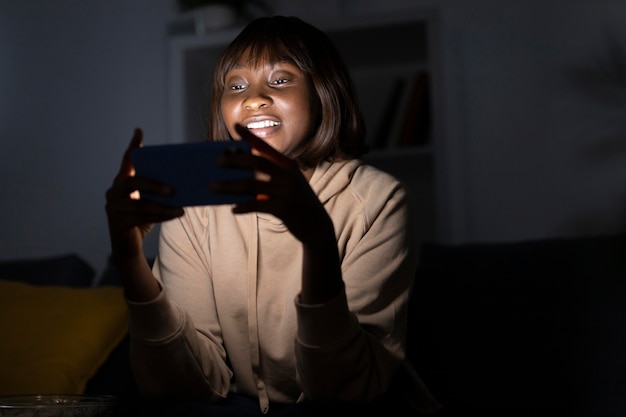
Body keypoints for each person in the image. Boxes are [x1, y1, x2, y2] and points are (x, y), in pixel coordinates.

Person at [105, 15, 442, 416]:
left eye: (280, 80)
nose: (254, 98)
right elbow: (184, 384)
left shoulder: (380, 200)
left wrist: (317, 237)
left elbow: (344, 389)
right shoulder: (194, 209)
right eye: (236, 85)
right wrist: (129, 262)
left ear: (323, 93)